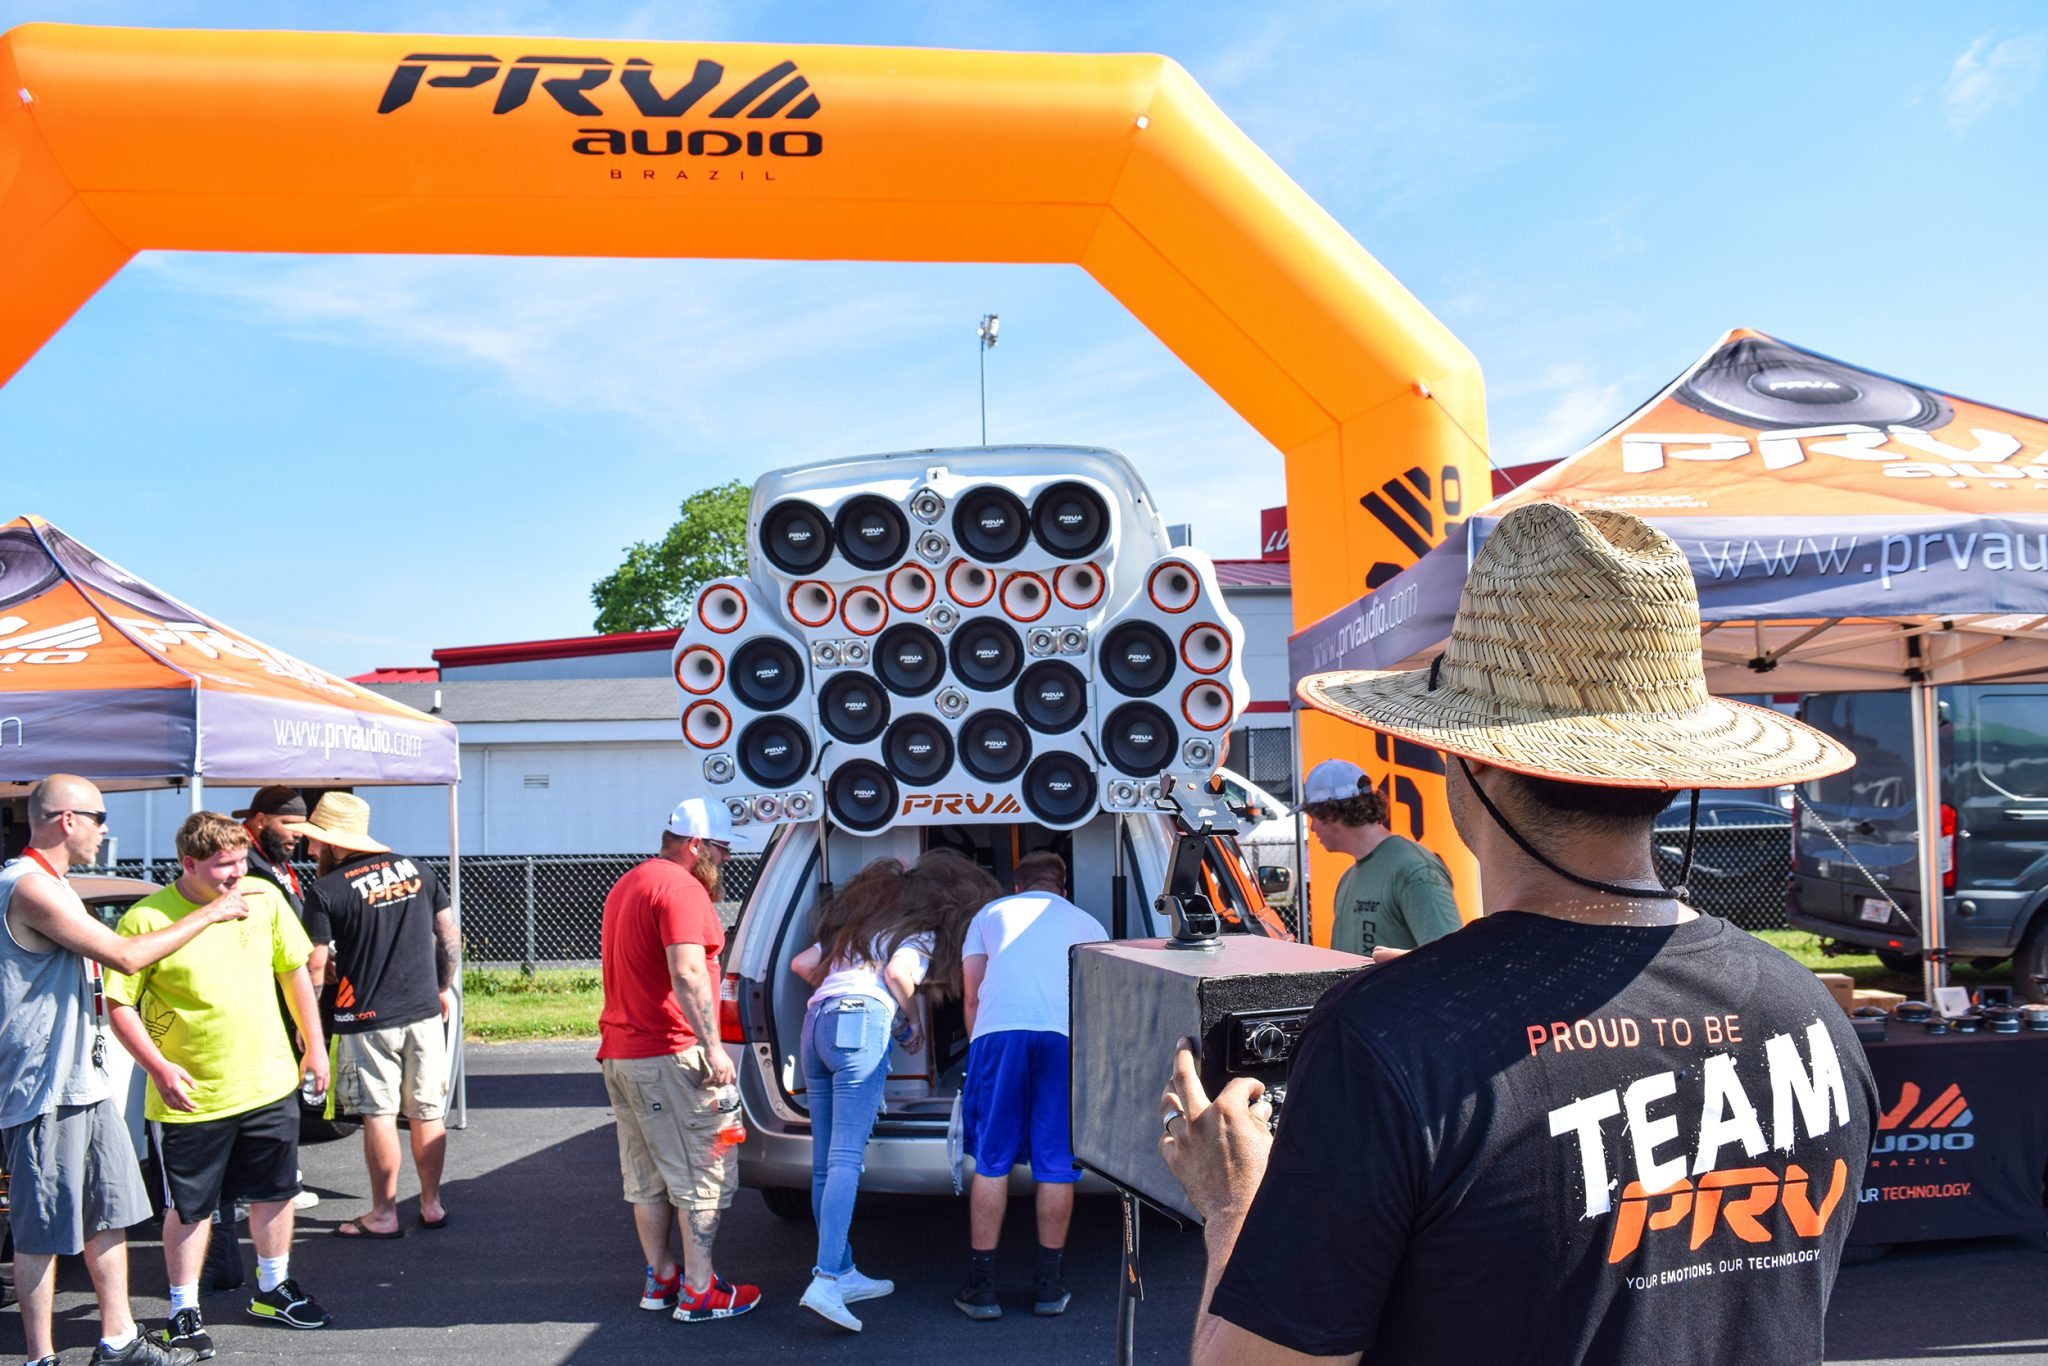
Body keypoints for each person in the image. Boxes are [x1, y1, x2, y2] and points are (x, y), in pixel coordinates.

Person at [1161, 503, 1879, 1365]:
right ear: (1674, 772)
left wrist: (1233, 1206)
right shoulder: (1808, 1011)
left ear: (1474, 759)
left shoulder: (1386, 1041)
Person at [0, 777, 250, 1366]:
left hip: (84, 1082)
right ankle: (40, 1357)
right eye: (100, 817)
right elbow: (127, 956)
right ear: (67, 820)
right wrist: (212, 911)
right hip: (44, 1088)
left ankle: (118, 1341)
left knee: (108, 1211)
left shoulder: (57, 884)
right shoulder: (25, 884)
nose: (106, 829)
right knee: (43, 1229)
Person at [106, 811, 333, 1357]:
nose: (237, 874)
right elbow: (119, 1003)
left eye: (241, 861)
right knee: (190, 1208)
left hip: (268, 1081)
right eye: (224, 865)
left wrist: (315, 1044)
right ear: (189, 864)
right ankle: (183, 1310)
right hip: (191, 1096)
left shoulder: (264, 897)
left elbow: (293, 971)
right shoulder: (145, 919)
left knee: (276, 1190)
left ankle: (273, 1288)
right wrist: (159, 1067)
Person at [597, 797, 759, 1324]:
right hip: (670, 1053)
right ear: (695, 845)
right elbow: (687, 971)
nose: (727, 858)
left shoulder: (630, 883)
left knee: (647, 1177)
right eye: (721, 848)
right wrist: (712, 1047)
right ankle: (700, 1292)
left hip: (624, 1053)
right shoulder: (683, 889)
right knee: (702, 1173)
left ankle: (662, 1278)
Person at [292, 792, 458, 1238]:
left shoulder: (325, 891)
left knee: (378, 1113)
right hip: (423, 1012)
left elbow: (315, 966)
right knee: (427, 1110)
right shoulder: (419, 870)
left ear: (335, 843)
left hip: (366, 1018)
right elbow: (448, 935)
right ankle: (432, 1204)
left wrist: (308, 1024)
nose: (310, 848)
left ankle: (384, 1214)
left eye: (315, 840)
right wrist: (442, 986)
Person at [954, 849, 1105, 1322]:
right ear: (1063, 889)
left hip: (1000, 1034)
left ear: (1016, 887)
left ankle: (981, 1289)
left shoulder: (989, 913)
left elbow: (972, 995)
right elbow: (1096, 1000)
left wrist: (977, 1054)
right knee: (1057, 1164)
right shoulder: (1089, 923)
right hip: (1062, 1037)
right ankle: (1049, 1287)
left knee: (992, 1161)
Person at [787, 859, 920, 1331]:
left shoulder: (851, 931)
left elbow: (801, 964)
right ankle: (825, 1280)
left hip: (815, 1024)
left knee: (825, 1162)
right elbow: (899, 975)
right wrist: (912, 1021)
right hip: (859, 1023)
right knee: (846, 1158)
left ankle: (842, 1270)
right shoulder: (913, 931)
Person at [1299, 758, 1461, 956]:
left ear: (1330, 813)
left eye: (1312, 817)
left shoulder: (1415, 871)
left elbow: (1452, 958)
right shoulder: (1348, 879)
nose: (1312, 828)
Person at [231, 786, 309, 924]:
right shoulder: (238, 858)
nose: (298, 834)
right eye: (289, 824)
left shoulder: (272, 849)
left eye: (301, 826)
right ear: (261, 821)